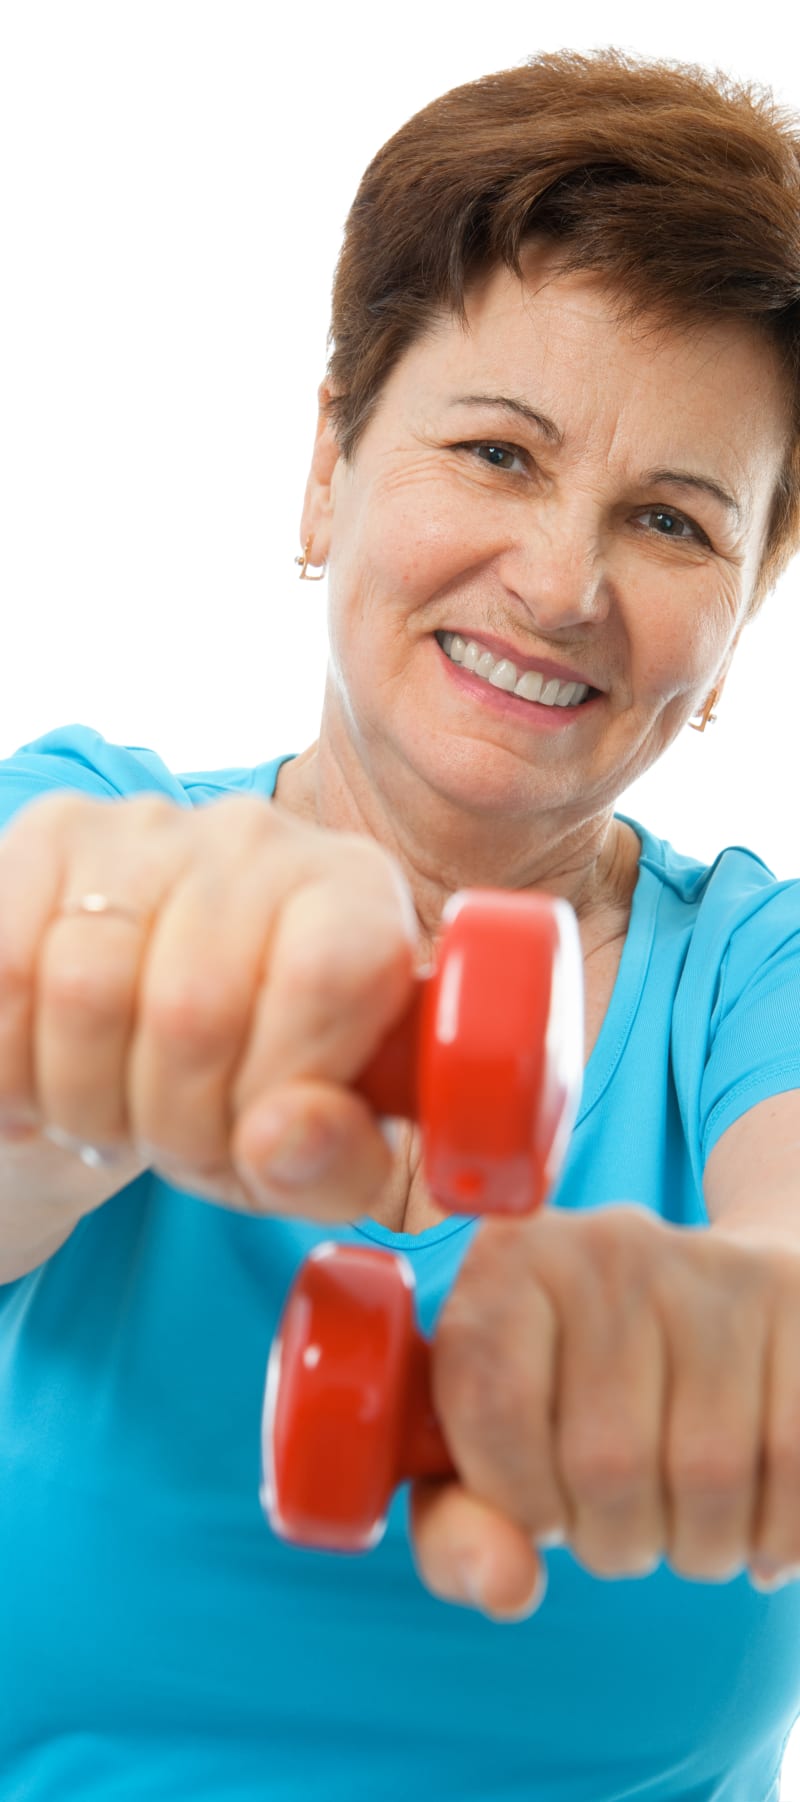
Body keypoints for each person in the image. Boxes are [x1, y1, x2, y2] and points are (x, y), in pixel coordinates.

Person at [1, 43, 800, 1802]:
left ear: (742, 617)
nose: (564, 583)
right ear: (329, 463)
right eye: (498, 452)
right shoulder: (70, 831)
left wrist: (754, 1342)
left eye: (670, 520)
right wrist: (69, 1063)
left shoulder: (759, 978)